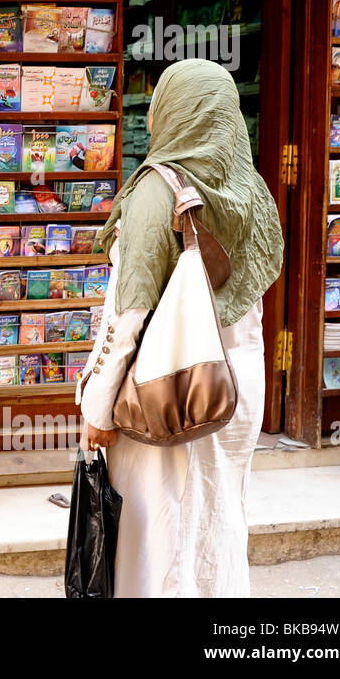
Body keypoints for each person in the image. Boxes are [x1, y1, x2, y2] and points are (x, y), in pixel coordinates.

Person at [78, 59, 284, 598]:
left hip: (168, 386)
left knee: (161, 528)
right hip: (235, 385)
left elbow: (128, 319)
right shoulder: (249, 190)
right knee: (218, 515)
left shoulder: (155, 191)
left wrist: (98, 409)